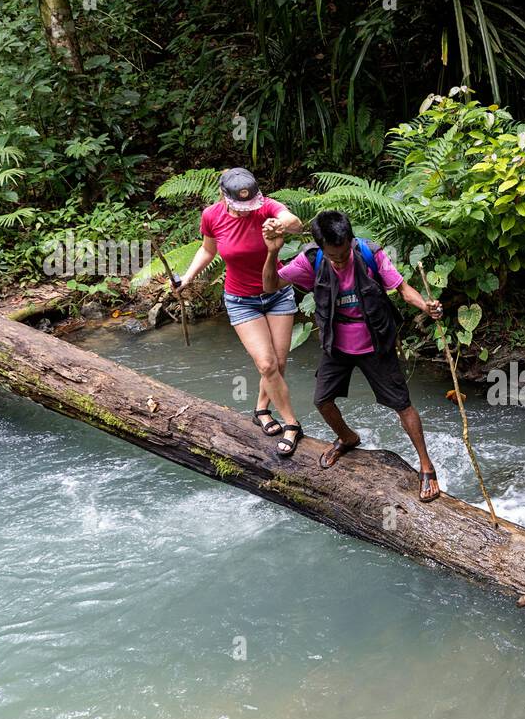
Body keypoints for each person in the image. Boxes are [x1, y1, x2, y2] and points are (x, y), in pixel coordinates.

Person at [261, 210, 444, 501]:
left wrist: (426, 306)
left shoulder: (370, 253)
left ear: (350, 239)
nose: (341, 259)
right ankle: (348, 437)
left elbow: (403, 288)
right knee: (321, 400)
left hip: (375, 343)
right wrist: (272, 253)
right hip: (337, 346)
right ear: (322, 248)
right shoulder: (312, 260)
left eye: (345, 252)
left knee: (403, 405)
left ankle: (426, 465)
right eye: (334, 256)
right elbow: (270, 286)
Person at [175, 168, 306, 457]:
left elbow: (294, 222)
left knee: (278, 364)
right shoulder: (212, 215)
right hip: (240, 300)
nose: (248, 212)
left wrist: (280, 224)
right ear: (224, 196)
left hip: (277, 292)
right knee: (267, 364)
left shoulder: (266, 207)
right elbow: (207, 251)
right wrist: (187, 278)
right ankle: (292, 423)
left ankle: (261, 409)